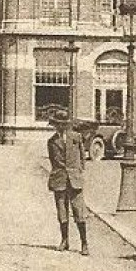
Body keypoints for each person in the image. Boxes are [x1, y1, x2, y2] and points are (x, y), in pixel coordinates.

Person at [45, 108, 89, 255]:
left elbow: (82, 157)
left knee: (79, 210)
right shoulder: (52, 141)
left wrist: (79, 171)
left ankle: (84, 243)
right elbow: (53, 160)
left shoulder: (76, 137)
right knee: (62, 211)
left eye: (63, 124)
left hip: (75, 179)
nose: (61, 127)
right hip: (59, 179)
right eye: (58, 124)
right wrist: (58, 173)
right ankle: (64, 240)